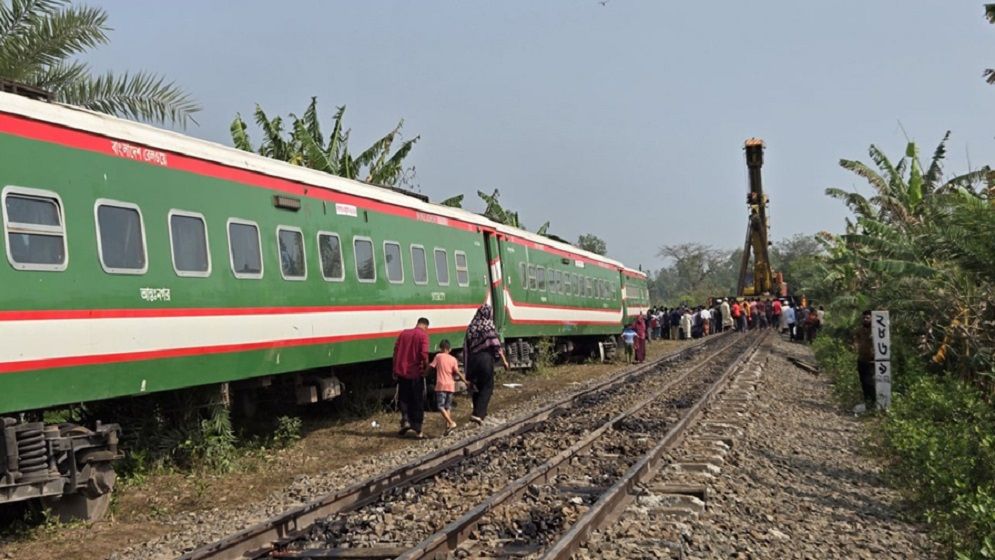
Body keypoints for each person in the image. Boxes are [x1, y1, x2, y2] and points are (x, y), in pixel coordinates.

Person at [463, 305, 510, 425]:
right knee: (487, 386)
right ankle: (478, 414)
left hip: (473, 360)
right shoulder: (488, 326)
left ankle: (478, 412)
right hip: (485, 359)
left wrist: (466, 368)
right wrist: (504, 361)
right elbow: (496, 345)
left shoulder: (471, 327)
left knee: (476, 386)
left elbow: (466, 348)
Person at [392, 317, 431, 438]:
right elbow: (424, 354)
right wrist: (426, 368)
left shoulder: (403, 333)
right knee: (417, 400)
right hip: (415, 373)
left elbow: (395, 351)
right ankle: (418, 429)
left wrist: (394, 368)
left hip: (402, 373)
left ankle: (405, 419)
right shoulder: (423, 336)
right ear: (425, 326)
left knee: (403, 398)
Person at [430, 339, 467, 436]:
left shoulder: (438, 356)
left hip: (441, 385)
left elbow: (432, 366)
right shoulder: (453, 359)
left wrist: (425, 373)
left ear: (440, 348)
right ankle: (448, 428)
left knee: (440, 406)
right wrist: (465, 381)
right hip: (451, 385)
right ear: (449, 349)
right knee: (448, 407)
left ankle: (451, 422)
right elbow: (458, 372)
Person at [854, 310, 875, 409]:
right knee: (863, 383)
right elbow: (856, 340)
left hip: (872, 361)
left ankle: (874, 402)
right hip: (861, 359)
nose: (865, 319)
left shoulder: (876, 331)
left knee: (869, 382)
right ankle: (868, 402)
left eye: (868, 318)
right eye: (864, 318)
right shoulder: (859, 330)